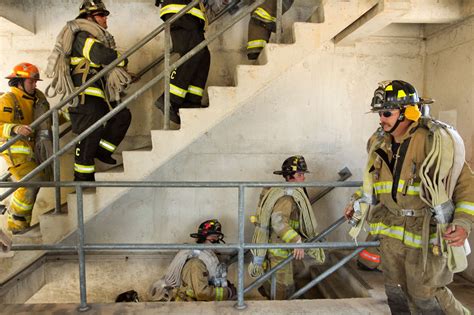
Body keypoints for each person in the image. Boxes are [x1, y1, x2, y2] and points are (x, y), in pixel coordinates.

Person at [344, 80, 474, 314]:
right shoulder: (379, 142)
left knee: (426, 295)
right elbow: (373, 181)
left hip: (426, 234)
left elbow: (466, 185)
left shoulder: (435, 140)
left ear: (407, 112)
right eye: (379, 113)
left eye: (386, 113)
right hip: (391, 232)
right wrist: (358, 201)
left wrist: (463, 222)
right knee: (396, 293)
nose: (381, 119)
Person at [68, 0, 132, 181]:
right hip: (85, 97)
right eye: (101, 15)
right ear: (88, 17)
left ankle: (102, 152)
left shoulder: (96, 37)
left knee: (122, 116)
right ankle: (82, 179)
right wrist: (122, 58)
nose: (105, 19)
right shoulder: (82, 36)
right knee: (89, 135)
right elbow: (100, 55)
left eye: (105, 15)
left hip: (100, 95)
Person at [248, 156, 325, 299]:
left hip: (284, 248)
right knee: (283, 287)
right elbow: (278, 222)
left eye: (303, 175)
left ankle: (271, 294)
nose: (303, 178)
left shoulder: (292, 193)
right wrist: (296, 241)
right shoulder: (286, 197)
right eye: (300, 175)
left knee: (287, 278)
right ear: (290, 177)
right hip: (280, 250)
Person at [0, 63, 49, 234]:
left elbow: (47, 121)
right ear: (19, 82)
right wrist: (14, 128)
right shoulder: (8, 99)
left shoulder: (38, 100)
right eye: (31, 82)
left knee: (36, 181)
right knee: (30, 181)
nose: (35, 85)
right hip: (15, 149)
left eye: (35, 81)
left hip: (32, 148)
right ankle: (16, 224)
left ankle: (23, 225)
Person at [149, 219, 236, 301]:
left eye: (217, 237)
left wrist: (224, 285)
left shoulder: (207, 258)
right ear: (202, 238)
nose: (216, 241)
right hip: (189, 307)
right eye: (213, 238)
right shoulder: (195, 263)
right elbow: (202, 293)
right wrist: (228, 292)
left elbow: (207, 281)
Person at [154, 0, 211, 124]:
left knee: (203, 56)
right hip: (179, 8)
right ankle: (169, 99)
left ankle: (191, 101)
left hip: (188, 11)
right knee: (195, 52)